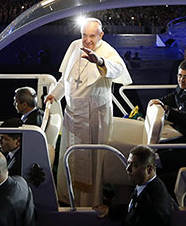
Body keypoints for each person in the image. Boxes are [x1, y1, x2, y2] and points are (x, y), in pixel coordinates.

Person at [45, 18, 132, 205]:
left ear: (101, 34)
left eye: (92, 36)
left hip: (94, 117)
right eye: (84, 35)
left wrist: (99, 61)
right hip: (72, 114)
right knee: (69, 154)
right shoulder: (75, 46)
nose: (87, 40)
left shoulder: (107, 51)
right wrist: (54, 95)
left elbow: (118, 69)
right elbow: (66, 79)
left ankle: (89, 201)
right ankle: (67, 196)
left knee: (92, 160)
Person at [93, 145, 176, 226]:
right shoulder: (147, 185)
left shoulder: (154, 203)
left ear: (149, 169)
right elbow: (134, 211)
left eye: (135, 165)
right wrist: (110, 210)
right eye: (128, 163)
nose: (128, 169)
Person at [149, 60, 186, 138]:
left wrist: (167, 110)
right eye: (180, 76)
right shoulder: (182, 87)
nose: (181, 80)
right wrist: (160, 101)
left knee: (155, 136)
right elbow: (173, 97)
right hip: (178, 124)